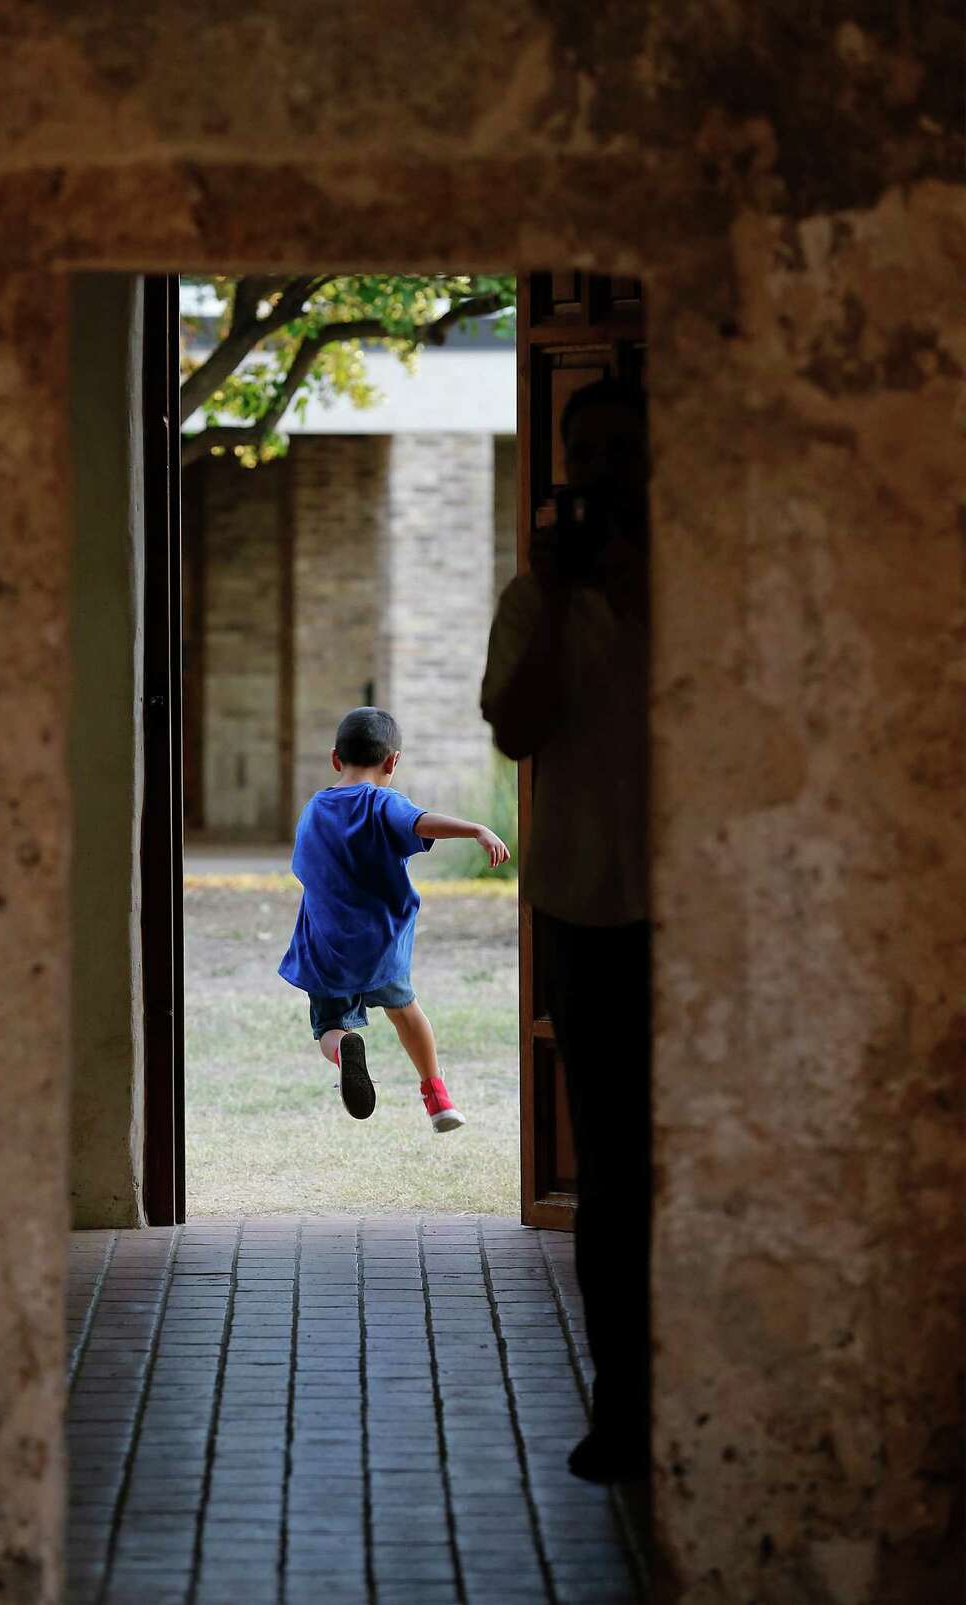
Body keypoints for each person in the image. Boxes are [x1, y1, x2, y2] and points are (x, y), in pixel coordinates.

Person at [480, 376, 652, 1484]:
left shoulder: (711, 584)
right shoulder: (532, 600)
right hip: (588, 910)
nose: (592, 471)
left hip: (710, 914)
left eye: (615, 453)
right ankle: (624, 1410)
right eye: (576, 452)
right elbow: (517, 730)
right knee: (614, 1177)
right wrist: (554, 597)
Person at [279, 706, 510, 1131]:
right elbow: (422, 823)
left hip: (326, 948)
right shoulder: (383, 802)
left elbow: (304, 867)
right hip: (378, 946)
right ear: (393, 761)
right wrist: (476, 828)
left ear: (335, 759)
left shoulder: (314, 808)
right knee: (406, 1013)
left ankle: (346, 1047)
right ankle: (436, 1096)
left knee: (329, 1028)